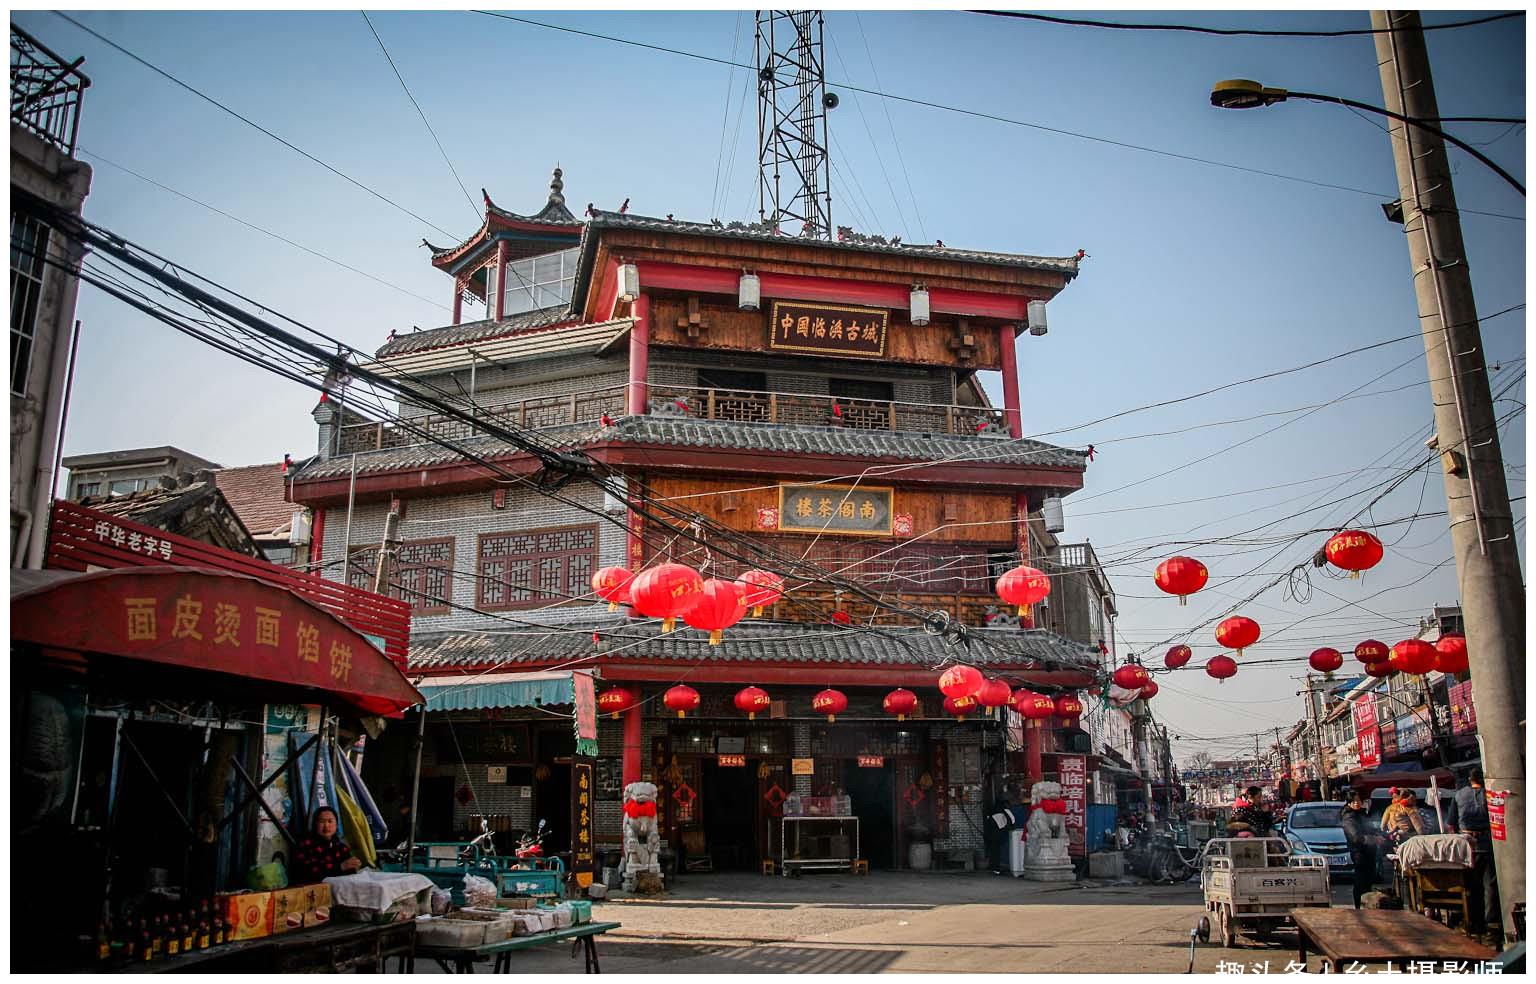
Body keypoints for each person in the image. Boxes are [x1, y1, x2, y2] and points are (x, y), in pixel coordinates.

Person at [1449, 769, 1502, 943]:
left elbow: (1451, 823)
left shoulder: (1459, 795)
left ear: (1469, 780)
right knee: (1490, 885)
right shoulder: (1490, 794)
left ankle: (1472, 922)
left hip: (1466, 846)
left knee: (1470, 885)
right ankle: (1491, 924)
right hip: (1487, 842)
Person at [291, 806, 363, 884]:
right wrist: (340, 867)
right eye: (322, 821)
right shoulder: (305, 845)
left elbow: (349, 871)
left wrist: (353, 866)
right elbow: (307, 872)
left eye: (330, 821)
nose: (326, 826)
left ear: (336, 824)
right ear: (315, 824)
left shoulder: (341, 847)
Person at [1340, 787, 1379, 908]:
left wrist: (1378, 835)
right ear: (1349, 802)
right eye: (1353, 801)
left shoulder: (1362, 813)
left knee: (1368, 882)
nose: (1356, 803)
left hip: (1368, 852)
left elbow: (1370, 828)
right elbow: (1356, 837)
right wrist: (1373, 839)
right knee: (1361, 882)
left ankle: (1366, 906)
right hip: (1359, 853)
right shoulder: (1348, 817)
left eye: (1358, 800)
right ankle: (1359, 907)